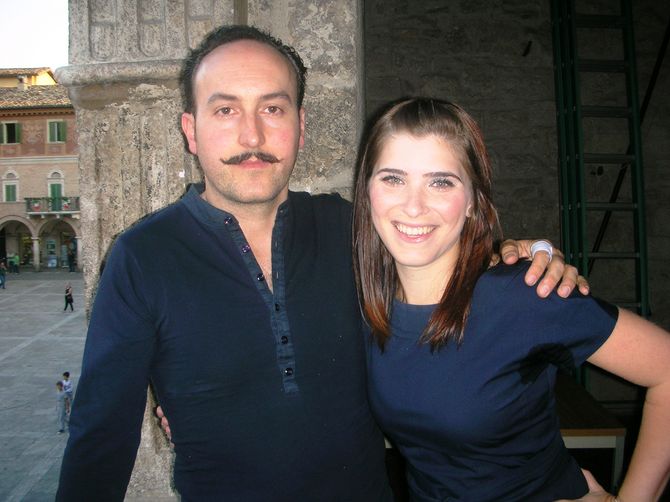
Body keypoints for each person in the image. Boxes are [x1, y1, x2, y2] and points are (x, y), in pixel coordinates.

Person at [56, 25, 583, 501]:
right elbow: (100, 437)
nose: (252, 137)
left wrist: (521, 252)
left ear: (301, 125)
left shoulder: (355, 230)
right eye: (225, 110)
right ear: (190, 131)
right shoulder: (142, 258)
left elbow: (446, 262)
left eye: (273, 109)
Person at [351, 97, 670, 501]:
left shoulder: (526, 294)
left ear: (473, 201)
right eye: (393, 179)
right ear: (367, 190)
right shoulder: (366, 304)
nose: (413, 206)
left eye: (441, 182)